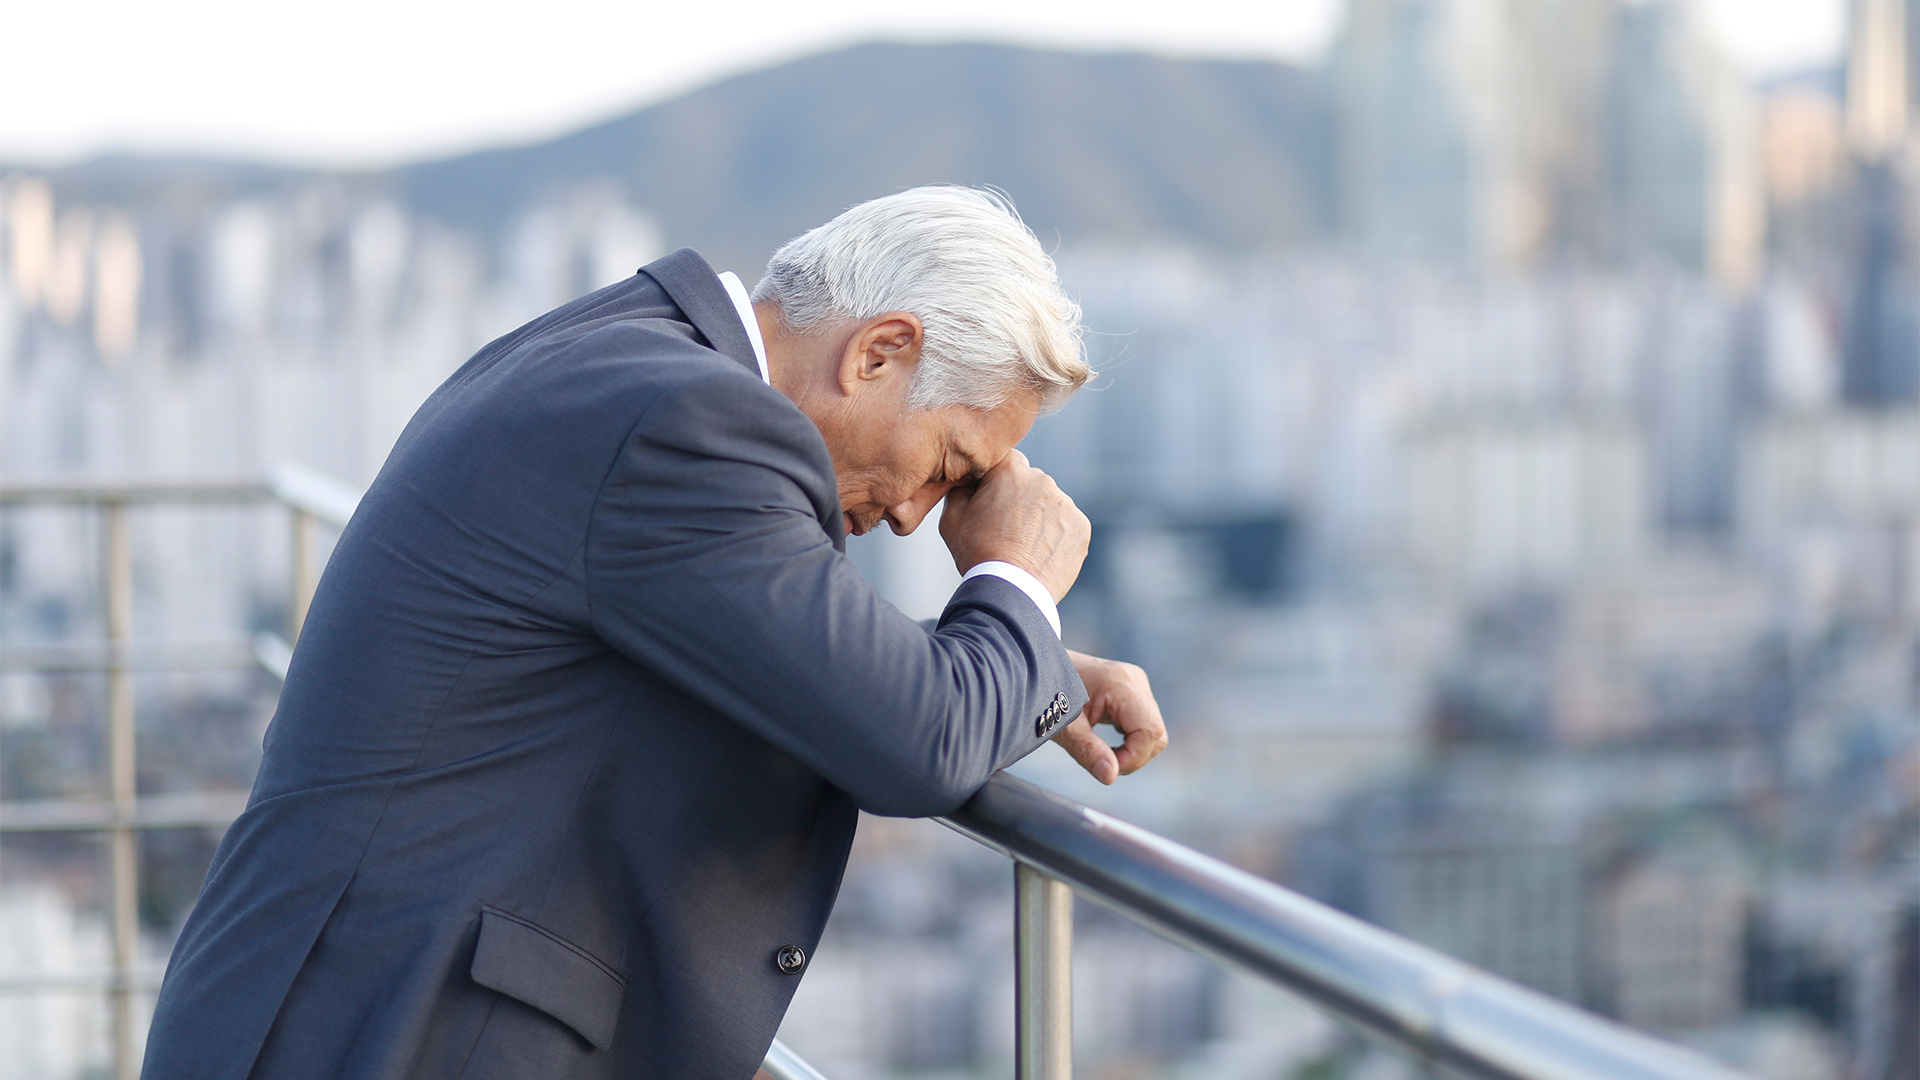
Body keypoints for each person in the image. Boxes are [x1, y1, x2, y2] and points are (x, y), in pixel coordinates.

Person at [141, 186, 1166, 1080]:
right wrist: (1015, 582)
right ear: (880, 352)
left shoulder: (634, 357)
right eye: (946, 462)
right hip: (388, 1034)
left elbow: (741, 626)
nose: (916, 514)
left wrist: (1027, 668)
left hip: (355, 1006)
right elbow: (913, 747)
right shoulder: (689, 423)